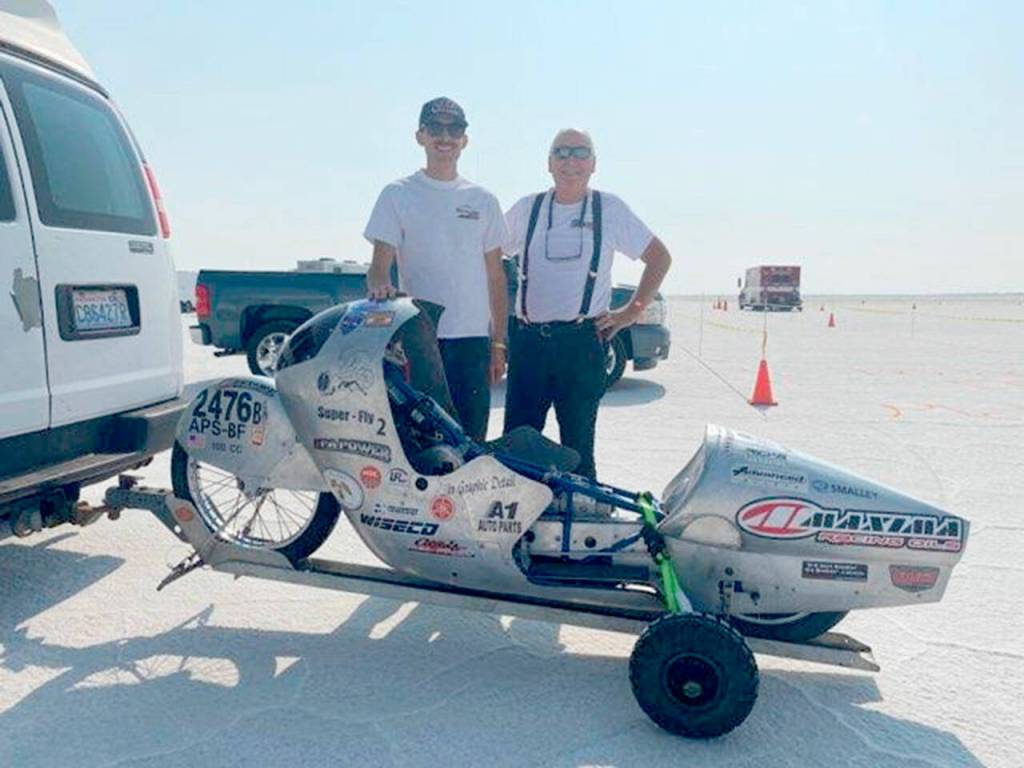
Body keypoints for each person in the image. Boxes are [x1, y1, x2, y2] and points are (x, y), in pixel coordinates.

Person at [503, 129, 671, 480]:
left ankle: (580, 520)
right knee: (517, 445)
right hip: (529, 343)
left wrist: (631, 313)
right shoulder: (527, 209)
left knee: (578, 448)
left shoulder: (608, 209)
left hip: (581, 346)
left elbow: (659, 258)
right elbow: (488, 258)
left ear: (593, 164)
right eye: (561, 153)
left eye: (580, 153)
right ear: (548, 163)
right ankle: (518, 526)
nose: (570, 161)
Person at [364, 97, 508, 442]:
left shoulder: (483, 200)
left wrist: (498, 344)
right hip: (419, 341)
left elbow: (496, 278)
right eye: (435, 128)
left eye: (454, 128)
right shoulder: (397, 194)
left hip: (471, 343)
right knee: (422, 443)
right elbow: (379, 268)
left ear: (465, 140)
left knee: (471, 443)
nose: (445, 136)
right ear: (420, 136)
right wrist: (380, 287)